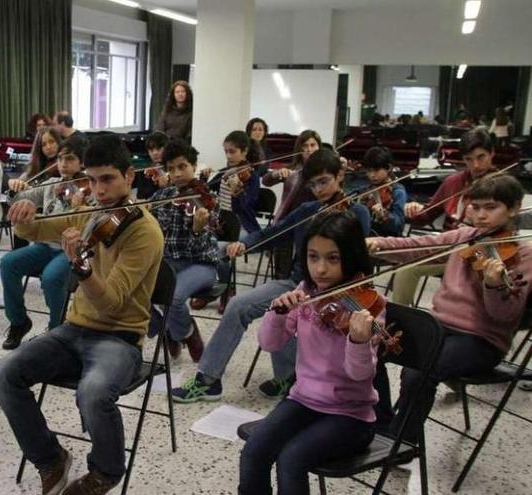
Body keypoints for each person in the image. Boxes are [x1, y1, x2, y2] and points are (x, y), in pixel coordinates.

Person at [0, 134, 164, 495]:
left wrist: (81, 269)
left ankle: (106, 471)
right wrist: (22, 216)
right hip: (74, 331)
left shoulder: (145, 231)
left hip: (120, 338)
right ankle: (50, 458)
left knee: (94, 393)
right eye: (92, 179)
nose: (98, 190)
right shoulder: (91, 211)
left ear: (130, 177)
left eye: (107, 179)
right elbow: (36, 229)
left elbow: (112, 302)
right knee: (4, 373)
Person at [172, 149, 372, 403]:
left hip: (335, 293)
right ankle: (208, 380)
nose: (319, 190)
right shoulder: (307, 210)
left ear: (340, 176)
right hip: (297, 284)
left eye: (324, 181)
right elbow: (274, 232)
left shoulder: (357, 212)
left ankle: (287, 377)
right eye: (313, 185)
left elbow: (358, 260)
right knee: (238, 305)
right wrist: (246, 244)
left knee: (286, 312)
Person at [368, 174, 532, 443]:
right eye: (475, 207)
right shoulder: (466, 236)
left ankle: (401, 442)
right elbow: (418, 247)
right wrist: (379, 245)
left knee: (418, 371)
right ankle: (380, 422)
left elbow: (504, 316)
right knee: (370, 344)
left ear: (513, 208)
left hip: (481, 340)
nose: (480, 216)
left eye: (490, 208)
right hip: (440, 327)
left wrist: (493, 286)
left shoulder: (523, 256)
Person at [239, 211, 381, 495]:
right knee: (254, 450)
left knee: (291, 458)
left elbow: (360, 373)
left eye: (333, 258)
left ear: (351, 257)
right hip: (303, 401)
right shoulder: (306, 293)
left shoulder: (369, 305)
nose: (321, 269)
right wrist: (278, 313)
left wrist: (358, 340)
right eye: (313, 257)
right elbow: (269, 343)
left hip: (350, 415)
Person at [0, 136, 90, 350]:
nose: (63, 164)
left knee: (51, 277)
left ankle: (56, 329)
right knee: (8, 263)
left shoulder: (89, 188)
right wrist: (16, 189)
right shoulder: (51, 184)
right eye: (60, 159)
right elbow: (20, 199)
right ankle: (19, 322)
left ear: (82, 162)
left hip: (70, 250)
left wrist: (79, 205)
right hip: (45, 246)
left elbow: (92, 226)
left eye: (69, 159)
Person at [394, 128, 500, 305]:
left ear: (492, 154)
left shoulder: (502, 185)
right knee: (404, 263)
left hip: (477, 255)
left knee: (407, 270)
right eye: (469, 159)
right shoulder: (453, 182)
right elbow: (427, 214)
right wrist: (413, 208)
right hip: (446, 247)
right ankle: (400, 325)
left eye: (481, 157)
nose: (475, 165)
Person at [147, 139, 218, 361]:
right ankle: (169, 329)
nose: (177, 174)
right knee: (132, 289)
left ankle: (186, 334)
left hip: (201, 264)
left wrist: (197, 229)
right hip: (168, 262)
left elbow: (204, 245)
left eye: (182, 167)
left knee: (174, 298)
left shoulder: (207, 199)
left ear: (194, 166)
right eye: (171, 169)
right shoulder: (161, 197)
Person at [192, 130, 263, 313]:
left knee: (221, 249)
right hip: (221, 222)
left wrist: (237, 191)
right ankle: (208, 287)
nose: (229, 155)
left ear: (244, 151)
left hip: (242, 225)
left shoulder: (251, 176)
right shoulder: (225, 172)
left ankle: (226, 289)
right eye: (226, 151)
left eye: (232, 151)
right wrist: (203, 178)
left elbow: (248, 206)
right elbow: (204, 194)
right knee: (199, 242)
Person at [262, 130, 322, 280]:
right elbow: (266, 181)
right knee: (282, 243)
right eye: (305, 146)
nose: (309, 149)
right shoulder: (293, 170)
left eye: (313, 145)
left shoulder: (324, 171)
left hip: (313, 222)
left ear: (319, 147)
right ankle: (281, 282)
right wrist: (277, 173)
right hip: (288, 221)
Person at [357, 146, 406, 237]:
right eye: (369, 171)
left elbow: (399, 225)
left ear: (389, 168)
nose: (372, 175)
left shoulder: (397, 191)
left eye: (376, 170)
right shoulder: (365, 190)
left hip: (387, 240)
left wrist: (384, 216)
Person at [133, 131, 169, 200]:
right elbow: (141, 195)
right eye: (151, 150)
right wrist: (158, 186)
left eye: (158, 149)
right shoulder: (145, 172)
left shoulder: (173, 168)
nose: (155, 153)